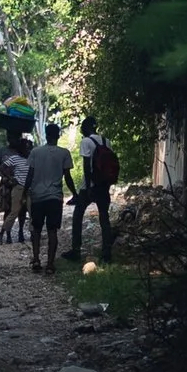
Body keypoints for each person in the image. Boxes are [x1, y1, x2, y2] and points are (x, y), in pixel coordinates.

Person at [66, 113, 115, 264]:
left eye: (82, 127)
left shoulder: (86, 141)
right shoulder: (107, 142)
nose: (81, 129)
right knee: (104, 217)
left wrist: (88, 187)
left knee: (78, 215)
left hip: (90, 186)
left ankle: (76, 250)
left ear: (86, 127)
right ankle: (107, 253)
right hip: (104, 185)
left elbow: (87, 166)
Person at [26, 123, 75, 272]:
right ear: (58, 135)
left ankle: (36, 260)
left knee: (36, 229)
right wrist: (75, 193)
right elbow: (68, 177)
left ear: (46, 135)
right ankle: (50, 264)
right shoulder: (64, 153)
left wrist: (24, 191)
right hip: (55, 197)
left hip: (37, 196)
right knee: (52, 231)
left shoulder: (35, 152)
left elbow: (30, 174)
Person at [0, 133, 33, 245]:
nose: (27, 149)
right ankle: (2, 233)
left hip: (30, 189)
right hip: (18, 188)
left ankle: (33, 234)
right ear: (20, 149)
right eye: (25, 147)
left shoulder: (32, 159)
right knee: (14, 212)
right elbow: (2, 167)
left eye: (28, 147)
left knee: (32, 213)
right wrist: (11, 178)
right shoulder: (15, 158)